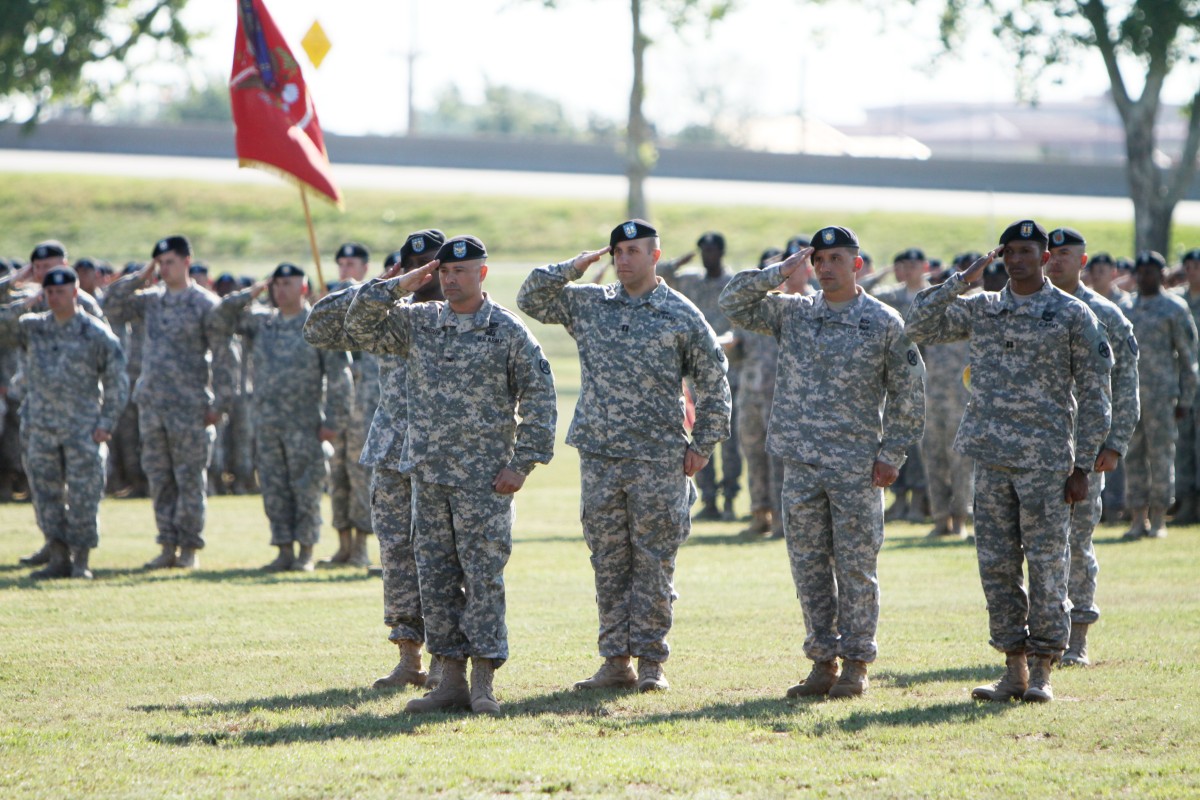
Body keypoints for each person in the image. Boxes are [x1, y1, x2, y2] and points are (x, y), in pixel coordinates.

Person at [345, 235, 556, 715]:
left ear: (481, 273)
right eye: (444, 272)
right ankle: (448, 682)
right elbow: (358, 324)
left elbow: (540, 399)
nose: (450, 278)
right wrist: (400, 283)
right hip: (428, 479)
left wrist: (522, 463)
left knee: (482, 579)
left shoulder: (505, 330)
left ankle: (483, 683)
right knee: (435, 581)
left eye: (461, 271)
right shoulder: (419, 323)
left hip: (484, 482)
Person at [518, 219, 731, 694]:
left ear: (656, 256)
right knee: (609, 560)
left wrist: (703, 445)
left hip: (658, 457)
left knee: (654, 559)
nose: (624, 259)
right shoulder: (592, 305)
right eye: (618, 251)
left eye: (635, 250)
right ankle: (616, 660)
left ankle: (652, 661)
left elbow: (714, 379)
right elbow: (530, 297)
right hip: (600, 454)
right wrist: (573, 267)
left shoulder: (680, 314)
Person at [906, 219, 1113, 704]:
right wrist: (962, 279)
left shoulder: (1070, 314)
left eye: (1026, 252)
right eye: (1009, 252)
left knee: (1047, 565)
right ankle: (1013, 668)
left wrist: (1083, 465)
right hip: (991, 459)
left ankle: (1043, 668)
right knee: (996, 566)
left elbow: (1095, 391)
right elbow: (917, 324)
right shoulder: (983, 309)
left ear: (1044, 258)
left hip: (1046, 463)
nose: (1017, 260)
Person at [720, 225, 926, 699]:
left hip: (857, 465)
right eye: (820, 260)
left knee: (855, 567)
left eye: (837, 259)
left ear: (857, 265)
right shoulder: (794, 313)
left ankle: (857, 663)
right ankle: (822, 662)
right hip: (802, 462)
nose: (826, 268)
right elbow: (734, 303)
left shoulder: (884, 322)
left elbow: (909, 394)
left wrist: (892, 453)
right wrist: (779, 270)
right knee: (809, 566)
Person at [304, 229, 446, 692]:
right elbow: (318, 326)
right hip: (393, 454)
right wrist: (384, 285)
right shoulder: (384, 316)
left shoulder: (466, 314)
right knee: (399, 556)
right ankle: (409, 656)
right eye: (416, 264)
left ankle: (448, 658)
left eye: (434, 264)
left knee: (445, 557)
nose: (426, 273)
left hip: (448, 458)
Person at [103, 235, 236, 570]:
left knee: (189, 479)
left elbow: (223, 356)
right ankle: (167, 544)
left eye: (169, 262)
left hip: (190, 407)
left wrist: (220, 403)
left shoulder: (205, 304)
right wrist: (144, 272)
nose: (164, 268)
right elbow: (112, 301)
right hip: (152, 405)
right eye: (160, 262)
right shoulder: (150, 300)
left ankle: (189, 547)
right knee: (160, 478)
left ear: (187, 261)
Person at [1046, 227, 1141, 667]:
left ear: (1082, 262)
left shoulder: (1106, 315)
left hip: (1085, 450)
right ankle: (1045, 632)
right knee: (1040, 545)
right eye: (1052, 253)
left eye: (1066, 254)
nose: (1056, 260)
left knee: (1078, 540)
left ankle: (1077, 636)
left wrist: (1115, 443)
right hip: (1037, 449)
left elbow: (1125, 385)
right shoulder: (1032, 309)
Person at [217, 263, 351, 572]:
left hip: (305, 425)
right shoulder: (262, 323)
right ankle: (283, 550)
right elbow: (221, 317)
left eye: (287, 284)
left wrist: (333, 421)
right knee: (274, 489)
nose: (280, 290)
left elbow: (339, 376)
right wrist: (253, 292)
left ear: (303, 288)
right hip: (267, 424)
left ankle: (305, 551)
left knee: (306, 490)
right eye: (276, 285)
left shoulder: (317, 324)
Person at [0, 267, 128, 579]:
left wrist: (107, 422)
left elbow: (117, 381)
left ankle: (81, 560)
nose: (55, 298)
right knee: (46, 495)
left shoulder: (95, 333)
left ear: (75, 293)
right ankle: (57, 556)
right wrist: (24, 300)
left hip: (82, 429)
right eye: (49, 292)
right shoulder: (33, 327)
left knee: (84, 495)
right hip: (41, 427)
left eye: (61, 292)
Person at [657, 232, 741, 521]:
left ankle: (729, 498)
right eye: (702, 251)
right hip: (694, 374)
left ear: (721, 252)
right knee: (697, 437)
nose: (707, 256)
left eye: (711, 251)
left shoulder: (732, 283)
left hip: (729, 373)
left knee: (728, 442)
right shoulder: (691, 280)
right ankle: (709, 500)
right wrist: (680, 260)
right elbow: (656, 273)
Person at [1122, 250, 1199, 539]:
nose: (1144, 277)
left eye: (1151, 272)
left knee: (1162, 456)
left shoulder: (1174, 308)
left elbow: (1188, 357)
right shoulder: (1126, 308)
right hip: (1130, 398)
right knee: (1132, 457)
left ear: (1161, 274)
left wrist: (1186, 398)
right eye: (1140, 273)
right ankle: (1137, 517)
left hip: (1162, 396)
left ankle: (1158, 519)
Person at [729, 247, 798, 539]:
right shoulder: (753, 309)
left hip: (783, 398)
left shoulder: (798, 306)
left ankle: (784, 521)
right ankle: (760, 513)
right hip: (751, 394)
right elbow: (737, 346)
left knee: (781, 462)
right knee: (753, 453)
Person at [325, 241, 376, 566]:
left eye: (351, 264)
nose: (345, 269)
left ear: (364, 268)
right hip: (338, 402)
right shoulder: (333, 300)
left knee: (361, 475)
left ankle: (360, 546)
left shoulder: (371, 301)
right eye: (341, 263)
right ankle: (342, 543)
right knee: (338, 473)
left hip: (364, 403)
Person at [874, 248, 932, 524]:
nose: (907, 270)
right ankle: (899, 499)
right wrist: (882, 273)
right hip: (894, 379)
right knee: (894, 438)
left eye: (912, 265)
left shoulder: (932, 297)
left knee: (919, 446)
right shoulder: (892, 296)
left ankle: (920, 501)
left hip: (925, 380)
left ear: (924, 266)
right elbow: (860, 290)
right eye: (902, 265)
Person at [1172, 248, 1200, 524]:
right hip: (1183, 386)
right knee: (1183, 446)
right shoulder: (1178, 302)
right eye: (1188, 266)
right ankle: (1186, 502)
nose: (1193, 271)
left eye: (1197, 265)